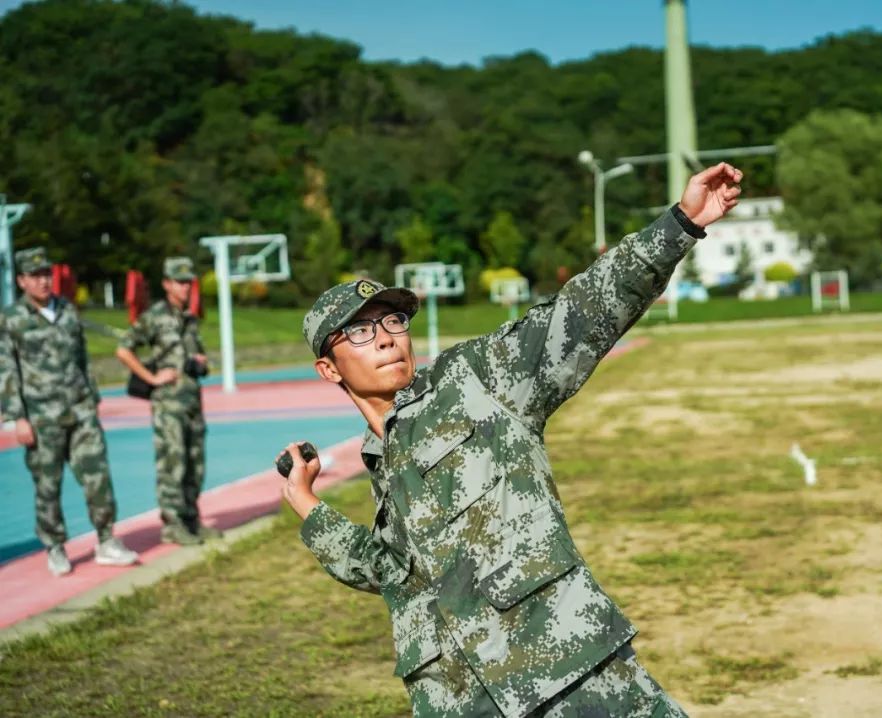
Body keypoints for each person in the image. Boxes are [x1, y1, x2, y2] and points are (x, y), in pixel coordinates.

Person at [279, 162, 742, 717]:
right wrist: (306, 504)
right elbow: (387, 570)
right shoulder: (381, 460)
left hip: (569, 671)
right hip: (463, 700)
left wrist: (682, 223)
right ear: (329, 370)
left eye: (393, 322)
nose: (384, 339)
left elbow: (583, 310)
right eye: (359, 331)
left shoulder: (476, 380)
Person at [0, 247, 139, 575]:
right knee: (48, 485)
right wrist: (15, 417)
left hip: (80, 413)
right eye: (35, 276)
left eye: (47, 274)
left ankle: (106, 540)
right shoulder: (11, 320)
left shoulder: (67, 310)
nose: (43, 281)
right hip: (40, 417)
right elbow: (6, 369)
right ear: (21, 281)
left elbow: (81, 358)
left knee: (98, 478)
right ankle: (55, 546)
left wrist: (91, 399)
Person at [116, 257, 219, 546]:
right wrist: (151, 378)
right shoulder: (155, 316)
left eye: (188, 281)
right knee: (173, 464)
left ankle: (192, 520)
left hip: (191, 402)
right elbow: (124, 350)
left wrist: (199, 362)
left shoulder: (189, 318)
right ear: (166, 284)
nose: (185, 287)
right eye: (179, 281)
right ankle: (173, 525)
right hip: (168, 404)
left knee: (194, 463)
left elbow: (196, 356)